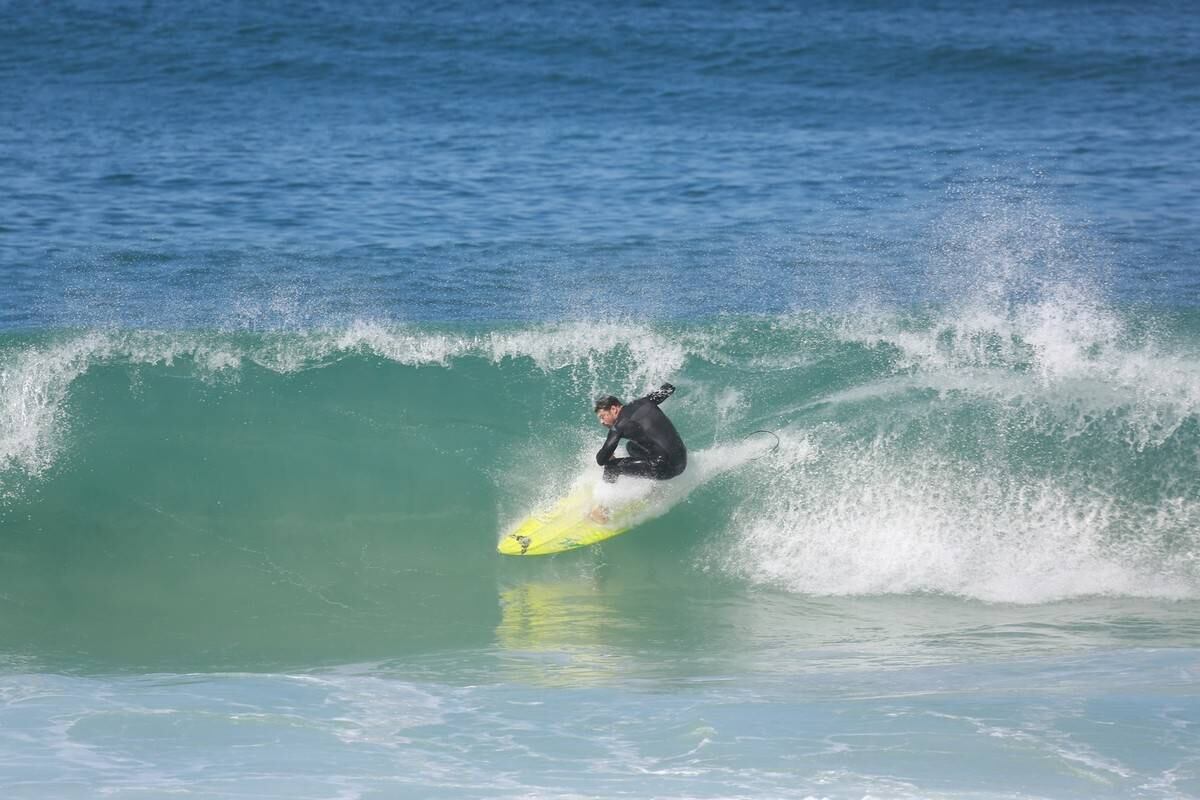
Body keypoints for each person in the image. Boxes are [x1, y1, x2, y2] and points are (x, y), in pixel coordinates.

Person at [593, 383, 687, 484]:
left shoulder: (619, 426)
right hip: (681, 461)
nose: (602, 422)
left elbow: (601, 460)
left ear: (613, 409)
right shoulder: (645, 401)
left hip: (665, 469)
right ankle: (648, 478)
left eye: (603, 416)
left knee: (611, 467)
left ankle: (607, 494)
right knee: (631, 447)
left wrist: (608, 455)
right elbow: (669, 388)